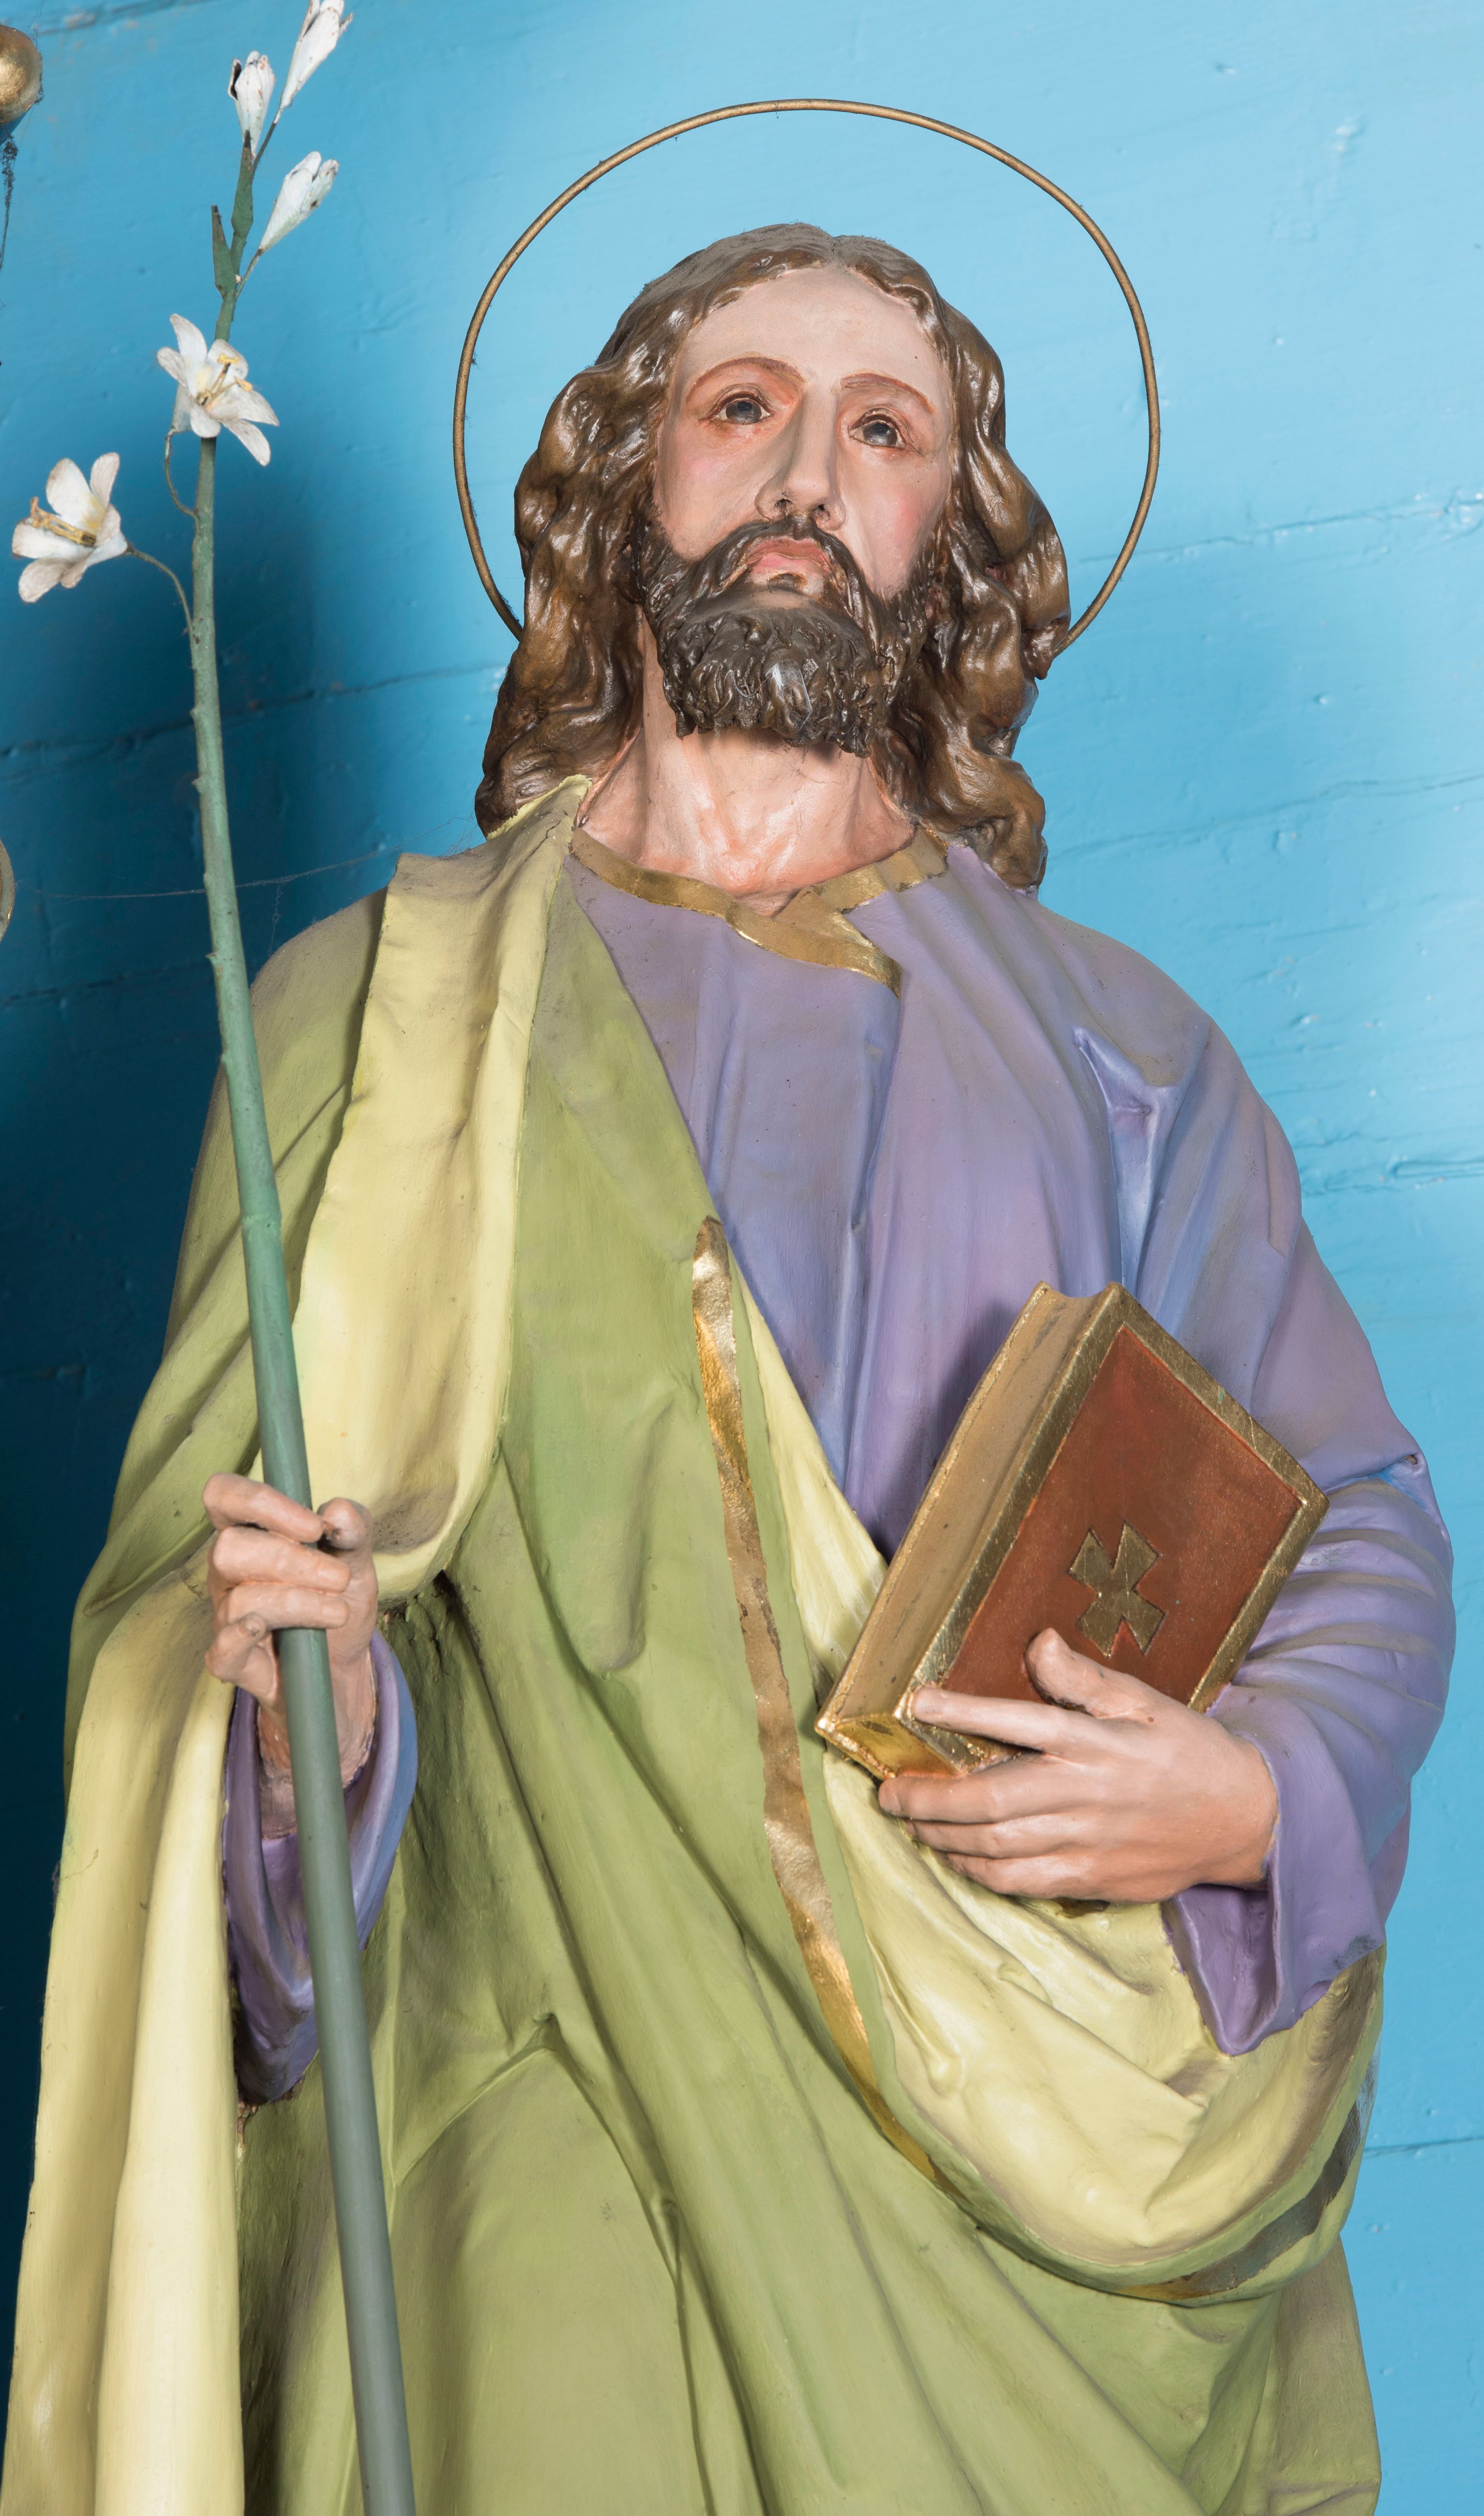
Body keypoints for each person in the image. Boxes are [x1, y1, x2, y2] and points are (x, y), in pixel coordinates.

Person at [4, 228, 1452, 2516]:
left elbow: (1354, 1514)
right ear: (626, 489)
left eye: (885, 430)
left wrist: (1256, 1801)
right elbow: (210, 1611)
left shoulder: (1127, 1053)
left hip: (1034, 2134)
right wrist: (312, 1719)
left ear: (948, 542)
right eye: (742, 405)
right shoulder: (376, 1023)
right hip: (547, 2041)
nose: (807, 469)